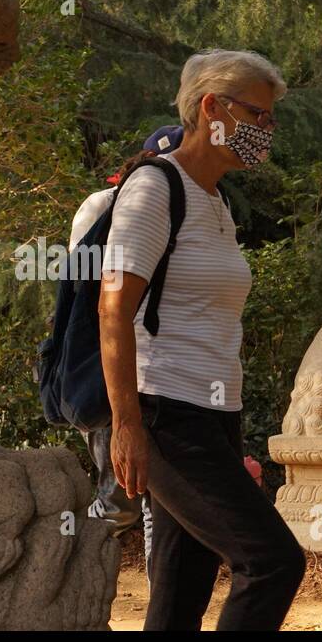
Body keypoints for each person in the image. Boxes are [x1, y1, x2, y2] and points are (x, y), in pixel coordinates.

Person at [99, 49, 306, 631]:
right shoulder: (153, 188)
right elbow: (112, 309)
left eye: (271, 119)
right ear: (211, 107)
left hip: (213, 416)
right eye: (257, 115)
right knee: (272, 562)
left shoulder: (213, 199)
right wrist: (126, 425)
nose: (267, 130)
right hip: (165, 414)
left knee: (180, 593)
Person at [72, 126, 183, 585]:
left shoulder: (194, 205)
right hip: (115, 377)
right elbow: (85, 296)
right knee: (119, 501)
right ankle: (67, 572)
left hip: (167, 379)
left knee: (164, 502)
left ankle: (162, 599)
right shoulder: (104, 205)